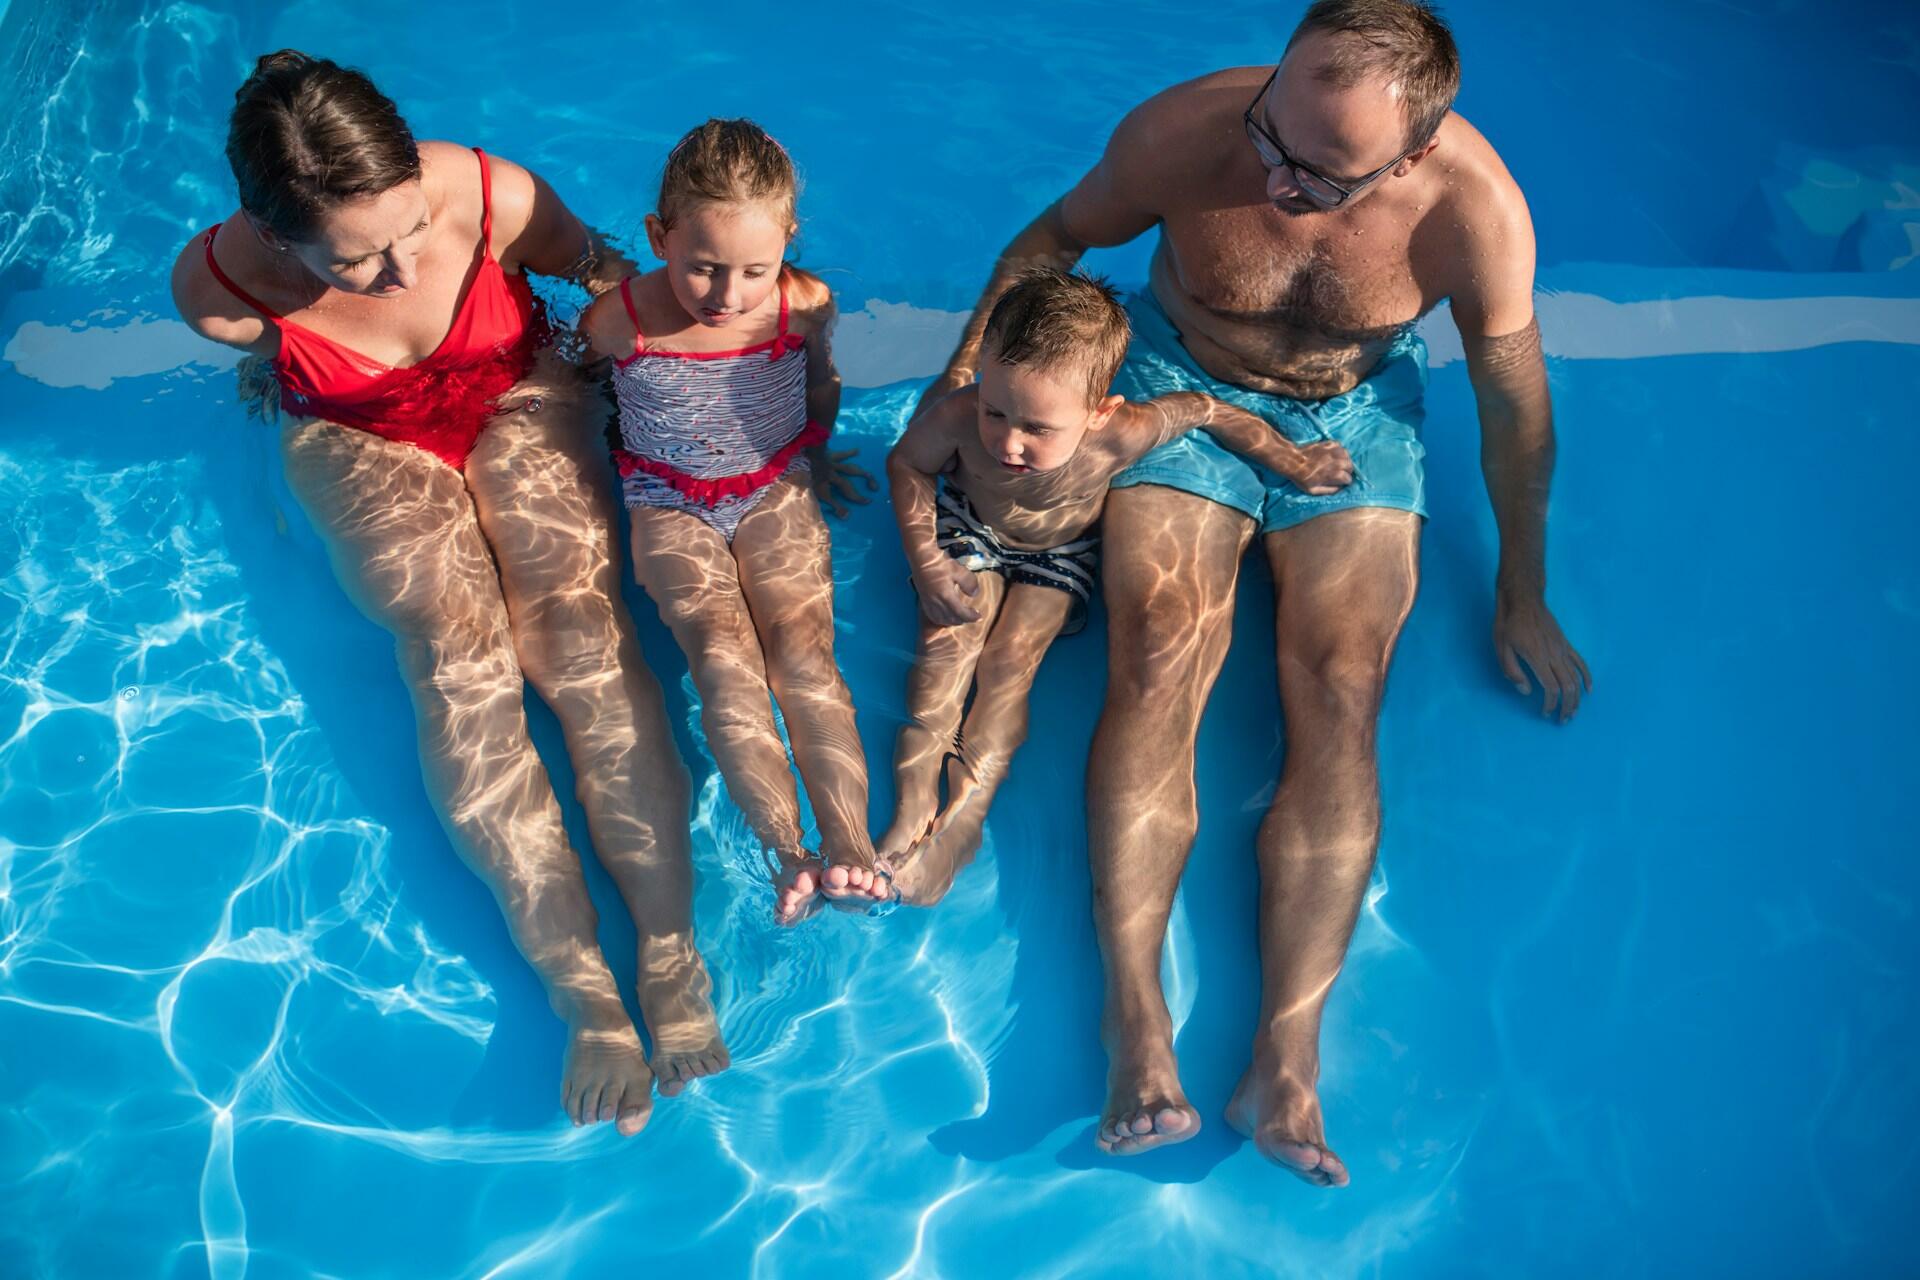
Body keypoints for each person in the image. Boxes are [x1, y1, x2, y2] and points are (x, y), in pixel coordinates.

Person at [920, 0, 1592, 1185]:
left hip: (1357, 413)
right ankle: (1136, 1021)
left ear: (1413, 151)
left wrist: (1524, 588)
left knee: (1340, 689)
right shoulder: (1186, 133)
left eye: (1319, 173)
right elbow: (1045, 247)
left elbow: (1514, 409)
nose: (1275, 180)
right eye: (1269, 135)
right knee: (1162, 646)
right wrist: (965, 393)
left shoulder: (1472, 214)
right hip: (1181, 381)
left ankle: (1285, 1057)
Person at [172, 51, 725, 1138]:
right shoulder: (220, 294)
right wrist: (284, 365)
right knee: (455, 653)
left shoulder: (489, 193)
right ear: (276, 234)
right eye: (353, 257)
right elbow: (266, 356)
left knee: (578, 630)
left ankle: (667, 943)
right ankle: (585, 993)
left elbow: (609, 277)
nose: (395, 269)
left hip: (514, 387)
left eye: (407, 230)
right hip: (360, 431)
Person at [879, 267, 1353, 905]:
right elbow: (907, 463)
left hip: (1061, 550)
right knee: (946, 649)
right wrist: (929, 560)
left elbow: (1209, 411)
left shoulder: (1124, 433)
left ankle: (963, 821)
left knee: (1011, 659)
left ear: (1100, 411)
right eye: (997, 410)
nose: (1008, 441)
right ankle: (912, 808)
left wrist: (1294, 461)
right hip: (972, 524)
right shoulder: (962, 416)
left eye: (1038, 429)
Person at [580, 118, 886, 925]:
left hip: (773, 482)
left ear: (789, 242)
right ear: (657, 237)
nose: (726, 296)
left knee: (806, 659)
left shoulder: (801, 305)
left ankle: (850, 845)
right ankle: (790, 850)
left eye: (755, 269)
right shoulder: (620, 321)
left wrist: (816, 455)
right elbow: (582, 390)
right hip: (666, 497)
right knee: (721, 656)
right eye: (702, 268)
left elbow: (821, 385)